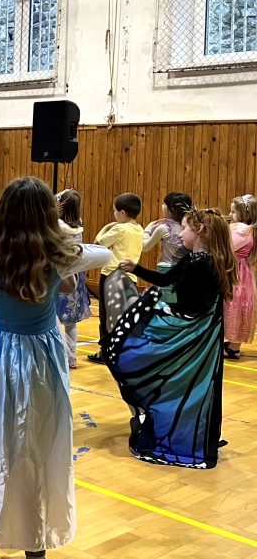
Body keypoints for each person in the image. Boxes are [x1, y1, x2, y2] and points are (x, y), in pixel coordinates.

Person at [0, 176, 110, 559]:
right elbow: (104, 251)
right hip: (39, 363)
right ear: (48, 215)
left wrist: (14, 206)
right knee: (40, 453)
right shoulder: (61, 253)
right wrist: (51, 220)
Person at [106, 208, 238, 467]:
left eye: (186, 228)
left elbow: (193, 306)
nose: (181, 234)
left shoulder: (203, 264)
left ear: (200, 231)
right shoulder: (195, 259)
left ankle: (183, 437)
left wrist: (157, 306)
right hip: (197, 333)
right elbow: (167, 280)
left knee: (150, 364)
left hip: (195, 336)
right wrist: (137, 269)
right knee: (186, 387)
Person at [88, 192, 143, 364]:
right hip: (130, 278)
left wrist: (106, 227)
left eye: (114, 211)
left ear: (122, 213)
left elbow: (98, 243)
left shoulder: (120, 228)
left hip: (112, 276)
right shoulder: (139, 229)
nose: (114, 214)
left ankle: (106, 352)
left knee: (106, 316)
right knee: (124, 316)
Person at [55, 189, 91, 369]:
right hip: (76, 274)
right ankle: (72, 357)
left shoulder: (58, 225)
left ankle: (62, 356)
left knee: (54, 318)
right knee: (71, 321)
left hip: (61, 274)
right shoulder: (79, 224)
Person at [141, 191, 192, 306]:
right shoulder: (192, 226)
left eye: (164, 204)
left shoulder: (164, 227)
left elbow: (145, 247)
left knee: (165, 307)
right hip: (187, 272)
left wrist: (147, 230)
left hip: (166, 271)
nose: (162, 206)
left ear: (170, 209)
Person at [223, 194, 256, 359]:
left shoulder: (242, 230)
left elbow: (227, 247)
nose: (230, 215)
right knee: (238, 305)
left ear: (245, 214)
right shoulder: (246, 229)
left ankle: (233, 347)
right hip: (242, 271)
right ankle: (232, 344)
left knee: (234, 304)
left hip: (237, 272)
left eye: (233, 212)